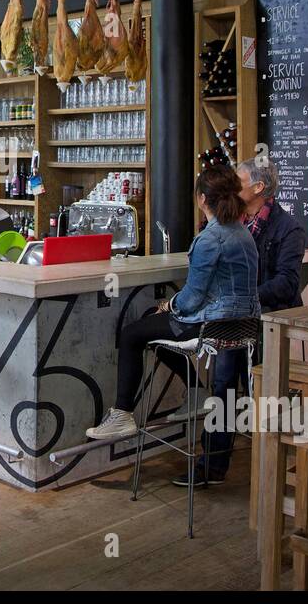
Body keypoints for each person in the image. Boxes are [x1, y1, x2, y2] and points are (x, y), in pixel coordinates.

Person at [86, 165, 261, 486]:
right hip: (242, 327)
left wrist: (170, 305)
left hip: (210, 328)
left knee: (134, 332)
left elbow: (192, 299)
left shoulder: (211, 239)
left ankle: (123, 414)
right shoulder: (243, 232)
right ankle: (196, 397)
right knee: (158, 331)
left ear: (201, 199)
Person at [236, 157, 305, 314]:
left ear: (258, 187)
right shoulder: (231, 221)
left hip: (271, 317)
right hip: (235, 312)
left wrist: (244, 297)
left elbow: (287, 283)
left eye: (237, 182)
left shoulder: (290, 229)